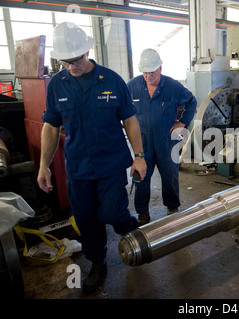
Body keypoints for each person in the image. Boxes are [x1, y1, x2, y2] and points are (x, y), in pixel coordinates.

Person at [36, 22, 147, 294]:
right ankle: (98, 262)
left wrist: (139, 156)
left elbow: (130, 121)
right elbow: (51, 126)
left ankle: (129, 225)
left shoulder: (111, 80)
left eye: (75, 60)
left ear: (87, 51)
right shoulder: (57, 85)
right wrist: (44, 165)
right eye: (65, 62)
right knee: (86, 218)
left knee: (112, 213)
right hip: (78, 167)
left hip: (110, 163)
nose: (71, 66)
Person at [127, 49, 197, 225]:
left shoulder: (173, 86)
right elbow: (122, 109)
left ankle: (172, 207)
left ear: (160, 68)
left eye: (152, 72)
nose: (149, 76)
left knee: (170, 175)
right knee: (141, 176)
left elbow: (191, 102)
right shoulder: (132, 86)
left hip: (167, 140)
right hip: (142, 141)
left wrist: (182, 123)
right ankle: (142, 212)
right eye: (145, 72)